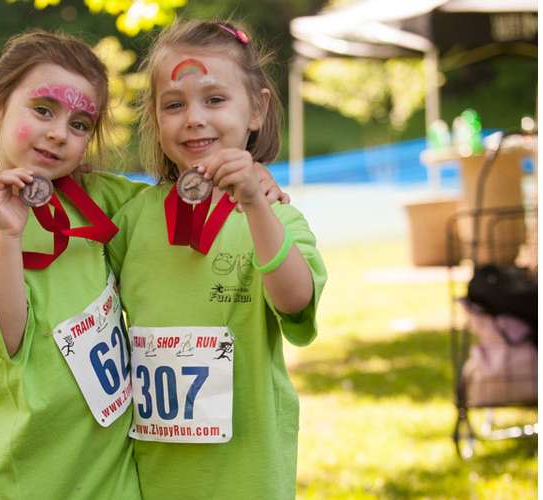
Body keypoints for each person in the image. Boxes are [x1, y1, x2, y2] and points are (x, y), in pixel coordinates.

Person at [0, 29, 288, 500]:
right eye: (43, 110)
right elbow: (6, 334)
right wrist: (9, 236)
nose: (60, 132)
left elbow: (175, 199)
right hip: (38, 465)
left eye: (80, 124)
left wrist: (248, 169)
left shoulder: (102, 200)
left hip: (118, 461)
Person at [107, 20, 328, 500]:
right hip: (151, 475)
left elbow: (295, 302)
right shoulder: (130, 220)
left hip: (246, 475)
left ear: (257, 109)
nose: (193, 118)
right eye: (174, 104)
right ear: (155, 118)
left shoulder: (276, 217)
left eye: (214, 99)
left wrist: (253, 204)